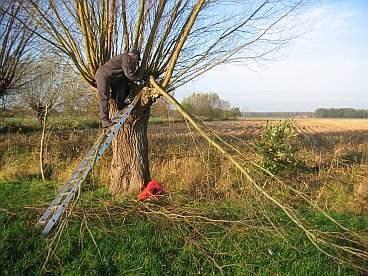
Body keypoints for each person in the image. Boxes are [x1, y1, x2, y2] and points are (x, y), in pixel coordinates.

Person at [95, 49, 141, 128]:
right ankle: (104, 120)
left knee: (124, 83)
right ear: (134, 56)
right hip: (103, 75)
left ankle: (120, 103)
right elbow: (128, 74)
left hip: (113, 78)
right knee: (104, 97)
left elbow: (127, 76)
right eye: (137, 60)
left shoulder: (126, 59)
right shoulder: (126, 57)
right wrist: (138, 79)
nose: (136, 62)